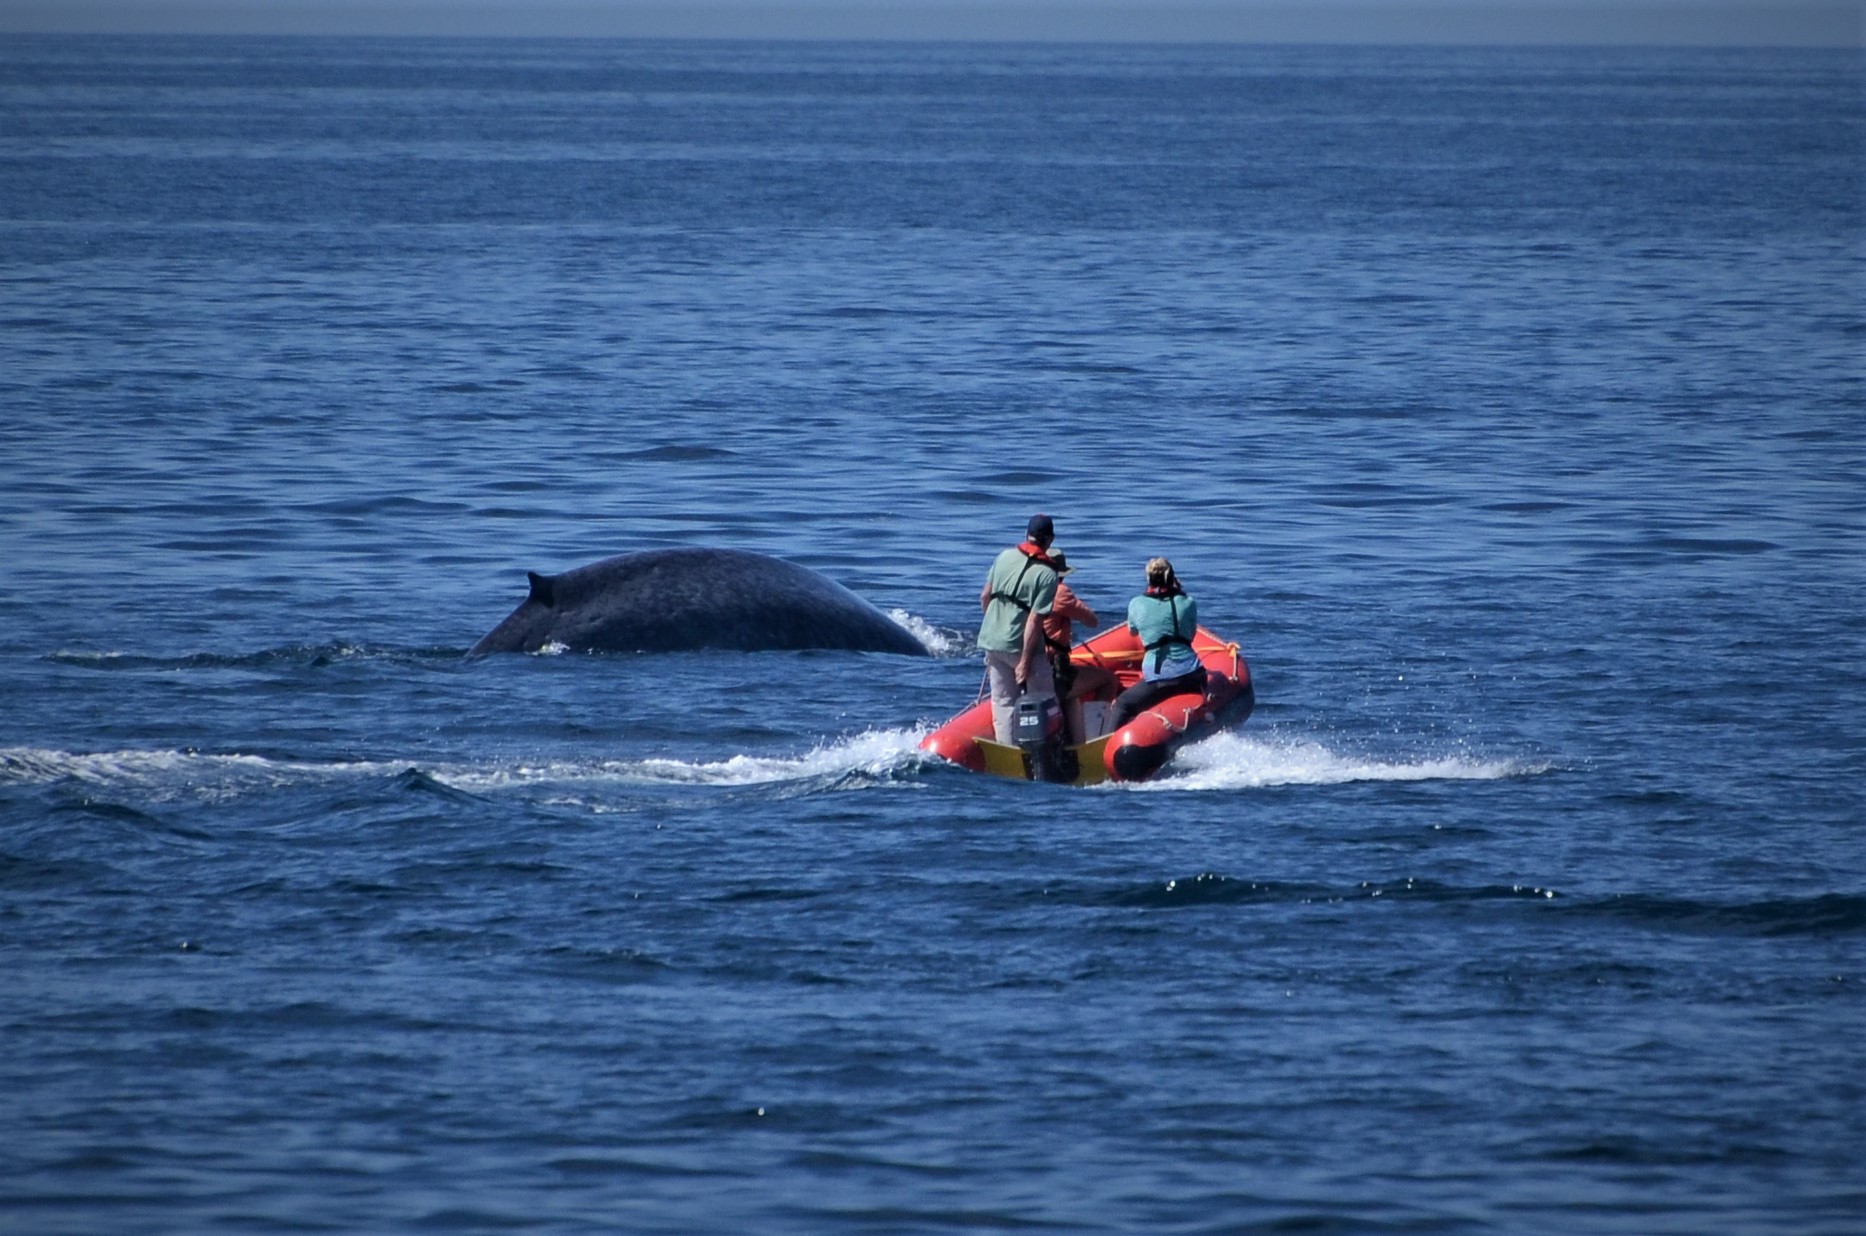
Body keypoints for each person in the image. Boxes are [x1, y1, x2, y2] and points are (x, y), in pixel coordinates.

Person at [977, 514, 1061, 744]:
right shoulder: (1048, 574)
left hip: (992, 640)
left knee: (1003, 703)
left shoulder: (1004, 556)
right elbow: (1034, 620)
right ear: (1050, 539)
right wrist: (1024, 662)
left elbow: (985, 596)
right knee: (1046, 699)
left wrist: (995, 625)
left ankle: (1008, 752)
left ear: (1027, 534)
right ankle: (1050, 751)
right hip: (1019, 646)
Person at [1109, 557, 1207, 729]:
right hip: (1193, 675)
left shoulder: (1136, 604)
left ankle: (1108, 742)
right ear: (1172, 577)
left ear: (1148, 578)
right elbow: (1190, 636)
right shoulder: (1188, 602)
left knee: (1122, 704)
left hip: (1160, 679)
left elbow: (1133, 631)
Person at [1039, 551, 1117, 742]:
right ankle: (1095, 737)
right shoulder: (1060, 592)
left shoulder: (1027, 589)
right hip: (1053, 669)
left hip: (1030, 664)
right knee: (1109, 679)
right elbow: (1091, 621)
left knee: (1072, 696)